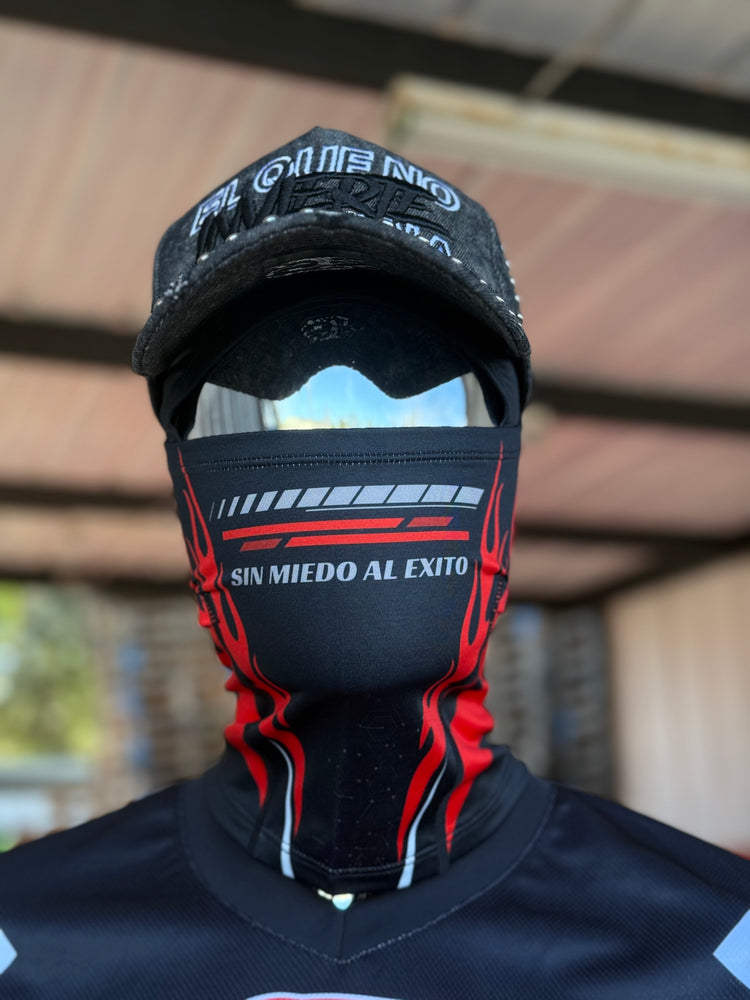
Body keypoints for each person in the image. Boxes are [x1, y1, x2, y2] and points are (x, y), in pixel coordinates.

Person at [1, 127, 749, 999]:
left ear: (503, 468)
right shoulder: (21, 944)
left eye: (419, 397)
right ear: (184, 486)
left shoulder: (720, 947)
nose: (341, 441)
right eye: (256, 402)